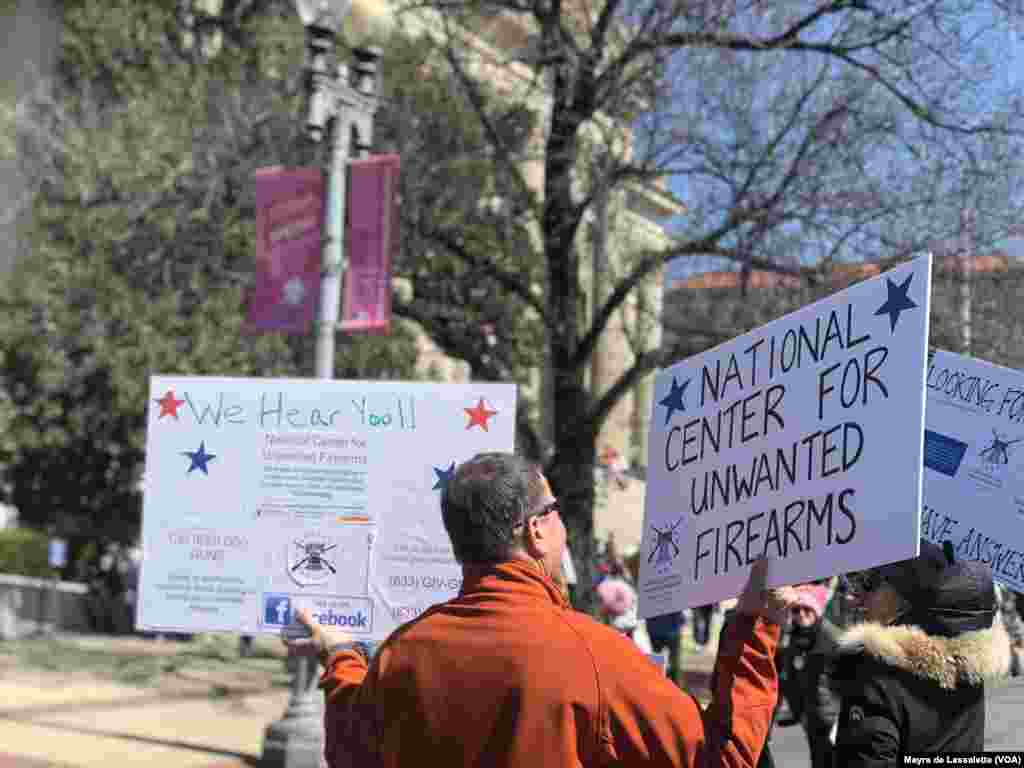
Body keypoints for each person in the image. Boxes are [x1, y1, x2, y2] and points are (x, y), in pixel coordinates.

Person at [287, 452, 796, 768]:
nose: (563, 526)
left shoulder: (403, 652)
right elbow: (722, 757)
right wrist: (755, 627)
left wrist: (341, 655)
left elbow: (351, 751)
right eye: (555, 512)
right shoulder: (590, 655)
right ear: (534, 529)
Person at [831, 539, 1012, 765]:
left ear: (906, 596)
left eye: (869, 582)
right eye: (853, 582)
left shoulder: (877, 676)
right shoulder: (967, 661)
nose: (854, 597)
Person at [777, 583, 838, 768]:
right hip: (810, 718)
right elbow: (790, 679)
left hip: (833, 720)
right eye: (796, 610)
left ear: (816, 611)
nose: (801, 614)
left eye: (807, 609)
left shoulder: (831, 639)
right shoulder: (792, 638)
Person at [646, 610, 685, 686]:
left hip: (655, 629)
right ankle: (675, 684)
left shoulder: (649, 598)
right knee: (674, 659)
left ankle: (656, 682)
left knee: (656, 658)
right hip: (672, 628)